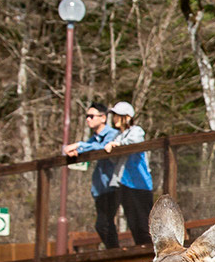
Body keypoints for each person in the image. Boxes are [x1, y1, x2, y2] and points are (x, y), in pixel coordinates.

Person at [62, 102, 121, 248]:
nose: (88, 119)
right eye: (87, 116)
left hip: (114, 186)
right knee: (103, 224)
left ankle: (115, 252)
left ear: (103, 118)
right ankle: (113, 252)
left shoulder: (113, 134)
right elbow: (90, 147)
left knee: (105, 223)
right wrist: (75, 151)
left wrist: (79, 145)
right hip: (101, 189)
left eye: (91, 116)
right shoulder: (93, 139)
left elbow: (102, 148)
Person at [102, 101, 156, 247]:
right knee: (133, 220)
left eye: (118, 115)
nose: (114, 118)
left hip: (139, 183)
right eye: (114, 115)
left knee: (144, 221)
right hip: (123, 182)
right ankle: (141, 248)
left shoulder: (136, 131)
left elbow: (135, 141)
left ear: (127, 117)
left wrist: (117, 145)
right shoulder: (118, 136)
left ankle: (150, 249)